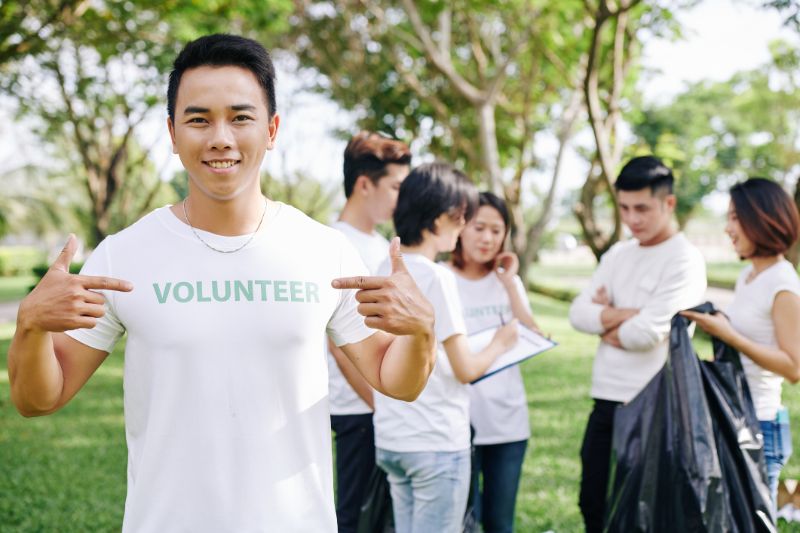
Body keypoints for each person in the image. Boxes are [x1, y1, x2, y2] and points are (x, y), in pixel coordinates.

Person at [7, 34, 437, 533]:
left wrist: (421, 331)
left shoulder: (322, 251)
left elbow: (396, 383)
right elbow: (38, 399)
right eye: (198, 119)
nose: (220, 138)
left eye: (240, 117)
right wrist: (31, 327)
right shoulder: (125, 254)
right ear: (172, 132)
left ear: (272, 128)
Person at [373, 162, 519, 533]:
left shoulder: (382, 268)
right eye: (462, 218)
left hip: (392, 440)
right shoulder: (438, 277)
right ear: (440, 219)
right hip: (437, 442)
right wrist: (500, 343)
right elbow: (465, 368)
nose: (463, 228)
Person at [568, 155, 707, 532]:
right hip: (605, 402)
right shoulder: (617, 254)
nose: (632, 219)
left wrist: (609, 317)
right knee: (592, 503)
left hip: (654, 407)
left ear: (669, 203)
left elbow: (644, 335)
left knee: (644, 516)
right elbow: (578, 313)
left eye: (642, 209)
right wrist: (632, 314)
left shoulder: (685, 260)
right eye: (624, 208)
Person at [681, 177, 800, 513]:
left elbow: (793, 367)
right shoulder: (748, 277)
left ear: (760, 220)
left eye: (735, 218)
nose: (728, 229)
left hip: (761, 424)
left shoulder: (783, 284)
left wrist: (731, 336)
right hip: (736, 417)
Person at [327, 131, 411, 532]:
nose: (402, 197)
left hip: (389, 405)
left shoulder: (381, 244)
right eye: (396, 186)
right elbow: (339, 345)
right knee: (355, 516)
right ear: (364, 184)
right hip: (358, 411)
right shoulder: (331, 244)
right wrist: (384, 406)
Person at [445, 191, 540, 533]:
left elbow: (533, 335)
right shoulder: (440, 276)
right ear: (460, 227)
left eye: (497, 230)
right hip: (455, 422)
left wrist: (509, 283)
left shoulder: (506, 282)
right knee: (461, 522)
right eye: (479, 227)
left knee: (500, 522)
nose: (488, 238)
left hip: (507, 422)